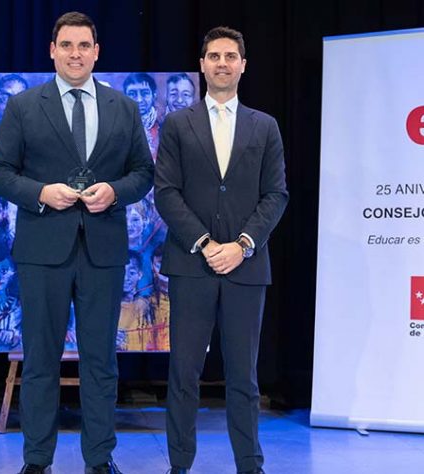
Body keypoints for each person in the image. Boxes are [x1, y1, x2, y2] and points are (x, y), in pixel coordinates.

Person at [0, 11, 154, 474]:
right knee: (40, 361)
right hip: (42, 251)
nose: (75, 54)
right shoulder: (24, 106)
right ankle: (37, 460)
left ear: (97, 52)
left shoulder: (124, 107)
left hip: (103, 251)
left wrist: (115, 191)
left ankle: (99, 459)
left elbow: (144, 172)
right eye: (66, 45)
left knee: (101, 362)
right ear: (52, 51)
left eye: (83, 46)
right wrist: (40, 192)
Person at [154, 26, 288, 474]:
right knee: (183, 374)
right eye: (214, 56)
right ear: (202, 64)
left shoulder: (265, 126)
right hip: (191, 264)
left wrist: (243, 245)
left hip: (246, 268)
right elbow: (166, 192)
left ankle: (250, 465)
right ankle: (179, 466)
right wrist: (207, 244)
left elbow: (276, 194)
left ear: (243, 65)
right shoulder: (178, 124)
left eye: (231, 56)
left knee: (244, 377)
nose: (222, 63)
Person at [123, 72, 161, 160]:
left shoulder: (164, 124)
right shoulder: (117, 126)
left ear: (154, 95)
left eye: (144, 93)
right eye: (132, 94)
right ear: (125, 96)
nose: (139, 99)